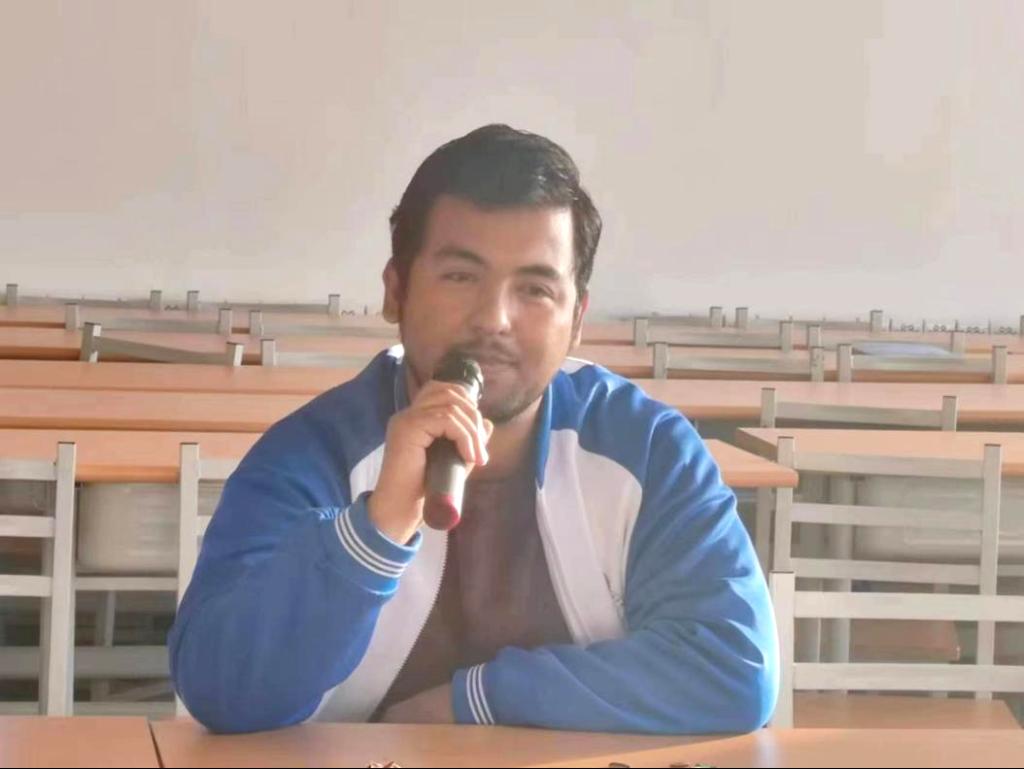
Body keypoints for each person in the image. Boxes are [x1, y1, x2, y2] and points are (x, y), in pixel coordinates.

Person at [169, 124, 778, 734]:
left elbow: (734, 669)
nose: (494, 320)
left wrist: (474, 702)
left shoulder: (645, 448)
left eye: (535, 289)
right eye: (461, 277)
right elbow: (221, 692)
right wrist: (375, 529)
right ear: (395, 291)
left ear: (577, 319)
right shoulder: (313, 453)